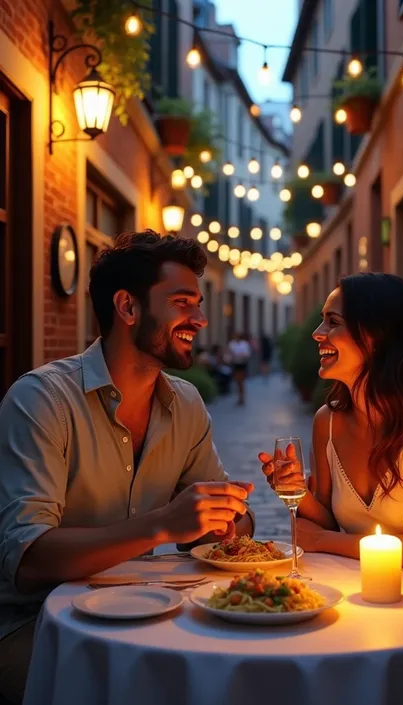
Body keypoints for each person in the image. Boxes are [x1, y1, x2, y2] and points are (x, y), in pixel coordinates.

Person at [0, 231, 255, 704]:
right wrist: (162, 524)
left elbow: (213, 525)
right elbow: (28, 560)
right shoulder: (41, 401)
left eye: (198, 304)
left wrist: (227, 519)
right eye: (182, 302)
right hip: (32, 627)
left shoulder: (186, 403)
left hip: (142, 611)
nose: (199, 319)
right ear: (128, 307)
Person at [259, 272, 403, 567]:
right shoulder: (327, 422)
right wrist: (296, 490)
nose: (317, 332)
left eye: (333, 322)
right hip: (357, 593)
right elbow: (325, 520)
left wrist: (322, 541)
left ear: (378, 336)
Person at [227, 332, 252, 405]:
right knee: (237, 381)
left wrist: (240, 355)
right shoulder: (232, 344)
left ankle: (242, 397)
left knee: (241, 381)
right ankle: (239, 396)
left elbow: (247, 354)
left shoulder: (244, 344)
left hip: (242, 364)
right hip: (235, 364)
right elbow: (229, 353)